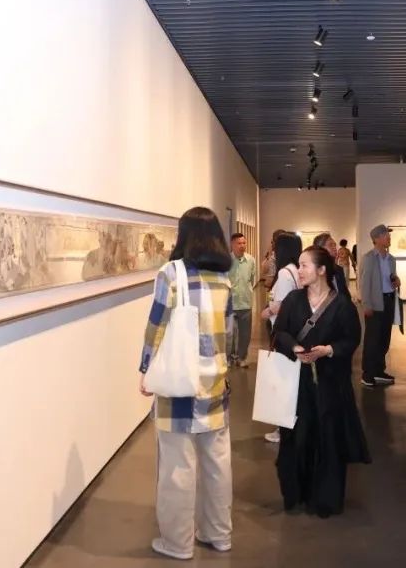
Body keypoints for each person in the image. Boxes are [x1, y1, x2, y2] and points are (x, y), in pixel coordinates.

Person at [138, 207, 234, 560]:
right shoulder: (224, 278)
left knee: (178, 466)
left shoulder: (171, 273)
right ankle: (218, 533)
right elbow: (228, 330)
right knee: (217, 462)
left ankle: (178, 543)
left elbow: (156, 325)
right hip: (215, 381)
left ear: (184, 235)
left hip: (179, 382)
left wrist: (145, 368)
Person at [272, 245, 371, 517]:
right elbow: (279, 333)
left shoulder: (342, 305)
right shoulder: (293, 300)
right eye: (299, 265)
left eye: (304, 265)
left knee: (328, 438)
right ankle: (297, 493)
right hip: (297, 383)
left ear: (322, 270)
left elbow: (351, 339)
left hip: (330, 385)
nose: (299, 270)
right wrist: (295, 348)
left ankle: (325, 499)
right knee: (297, 437)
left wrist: (328, 350)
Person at [261, 232, 303, 443]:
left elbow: (283, 305)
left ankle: (283, 429)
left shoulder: (286, 274)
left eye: (275, 246)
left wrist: (268, 311)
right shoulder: (295, 270)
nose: (273, 251)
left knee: (284, 381)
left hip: (284, 333)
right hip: (291, 333)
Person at [358, 224, 400, 388]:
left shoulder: (391, 259)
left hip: (389, 300)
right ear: (376, 239)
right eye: (384, 235)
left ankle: (378, 370)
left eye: (388, 234)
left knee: (384, 338)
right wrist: (366, 304)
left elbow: (392, 278)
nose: (388, 237)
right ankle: (367, 373)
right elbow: (364, 283)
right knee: (372, 340)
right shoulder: (369, 258)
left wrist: (396, 281)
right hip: (375, 302)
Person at [227, 232, 257, 368]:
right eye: (239, 243)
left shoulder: (251, 260)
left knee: (245, 334)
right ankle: (230, 357)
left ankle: (241, 357)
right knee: (230, 333)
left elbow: (252, 279)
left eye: (244, 243)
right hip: (230, 303)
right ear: (232, 245)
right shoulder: (226, 261)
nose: (242, 245)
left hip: (245, 302)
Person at [313, 233, 353, 302]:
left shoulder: (339, 269)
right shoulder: (314, 272)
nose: (335, 248)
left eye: (335, 245)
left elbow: (345, 293)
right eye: (330, 245)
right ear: (320, 249)